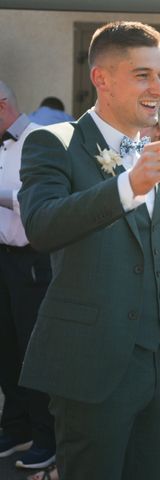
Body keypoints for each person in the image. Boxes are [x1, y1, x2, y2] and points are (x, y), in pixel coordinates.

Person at [17, 21, 160, 479]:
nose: (158, 88)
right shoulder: (54, 143)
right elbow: (42, 226)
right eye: (143, 75)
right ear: (101, 78)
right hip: (92, 367)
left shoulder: (157, 151)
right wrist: (128, 184)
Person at [0, 81, 56, 473]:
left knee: (32, 352)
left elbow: (36, 203)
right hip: (2, 257)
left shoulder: (40, 140)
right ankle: (15, 426)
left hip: (32, 260)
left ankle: (46, 437)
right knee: (5, 348)